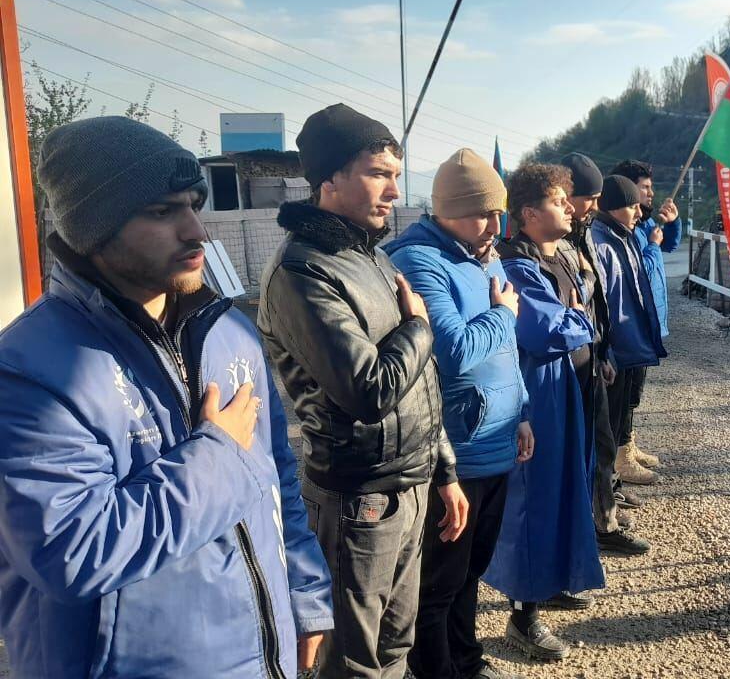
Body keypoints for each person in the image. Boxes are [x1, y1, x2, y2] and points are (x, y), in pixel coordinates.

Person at [0, 116, 332, 678]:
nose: (196, 230)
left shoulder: (230, 333)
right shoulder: (30, 370)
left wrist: (303, 593)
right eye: (162, 211)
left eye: (194, 205)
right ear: (93, 229)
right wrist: (217, 457)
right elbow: (72, 551)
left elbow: (277, 479)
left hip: (257, 658)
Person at [257, 103, 465, 679]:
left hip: (409, 486)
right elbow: (369, 390)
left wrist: (444, 471)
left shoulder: (369, 256)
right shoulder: (302, 272)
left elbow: (421, 384)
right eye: (379, 174)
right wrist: (419, 327)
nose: (394, 191)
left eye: (396, 175)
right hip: (359, 502)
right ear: (329, 178)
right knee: (353, 663)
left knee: (396, 646)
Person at [385, 148, 532, 679]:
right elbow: (451, 350)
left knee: (472, 570)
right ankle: (437, 669)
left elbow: (504, 352)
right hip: (456, 449)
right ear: (446, 210)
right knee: (439, 582)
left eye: (498, 213)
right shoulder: (419, 261)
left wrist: (522, 409)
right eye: (481, 214)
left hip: (496, 439)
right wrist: (504, 313)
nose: (494, 226)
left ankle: (466, 662)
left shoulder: (483, 254)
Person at [486, 163, 605, 661]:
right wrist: (578, 320)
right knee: (534, 499)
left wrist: (576, 318)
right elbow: (544, 330)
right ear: (530, 213)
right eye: (558, 201)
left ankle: (551, 580)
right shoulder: (516, 265)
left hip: (565, 390)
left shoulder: (554, 258)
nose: (569, 208)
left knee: (564, 490)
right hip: (538, 394)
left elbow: (576, 317)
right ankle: (523, 615)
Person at [559, 153, 650, 556]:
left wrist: (604, 350)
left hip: (596, 355)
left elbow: (598, 303)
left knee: (603, 439)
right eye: (589, 198)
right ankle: (597, 523)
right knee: (592, 443)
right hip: (574, 364)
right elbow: (573, 306)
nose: (593, 207)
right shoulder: (575, 240)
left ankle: (601, 515)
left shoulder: (584, 237)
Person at [609, 159, 679, 483]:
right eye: (645, 188)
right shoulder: (627, 233)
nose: (650, 194)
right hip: (633, 325)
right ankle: (620, 454)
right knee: (625, 394)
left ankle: (628, 444)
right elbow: (641, 274)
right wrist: (652, 245)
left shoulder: (643, 224)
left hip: (648, 322)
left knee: (634, 393)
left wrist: (670, 224)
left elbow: (670, 246)